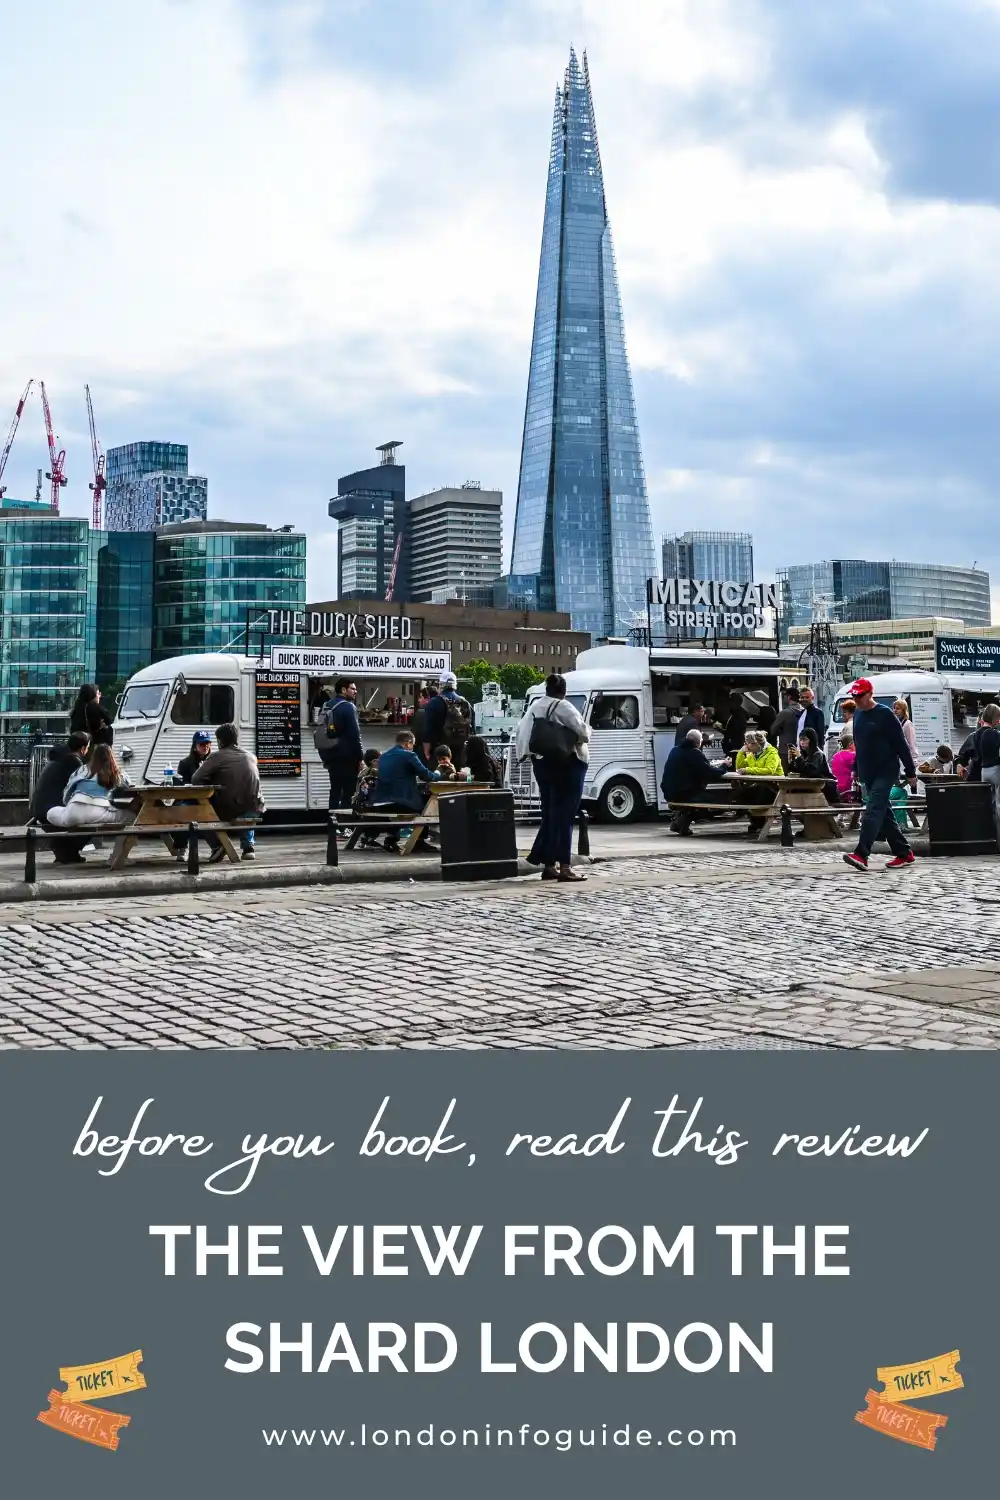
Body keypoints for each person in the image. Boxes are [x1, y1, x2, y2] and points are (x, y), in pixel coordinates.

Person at [515, 673, 591, 882]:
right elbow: (583, 733)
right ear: (563, 691)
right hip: (567, 765)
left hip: (542, 764)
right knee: (565, 814)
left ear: (546, 689)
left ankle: (548, 864)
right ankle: (565, 866)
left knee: (550, 813)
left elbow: (521, 733)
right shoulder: (564, 707)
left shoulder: (534, 707)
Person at [842, 678, 917, 872]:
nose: (856, 699)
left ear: (869, 694)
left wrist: (910, 771)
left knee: (873, 810)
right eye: (854, 696)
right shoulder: (858, 714)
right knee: (884, 814)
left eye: (859, 696)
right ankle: (904, 852)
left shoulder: (885, 714)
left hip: (886, 770)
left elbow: (901, 744)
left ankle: (861, 853)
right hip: (868, 771)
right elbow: (859, 745)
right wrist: (856, 769)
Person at [192, 723, 263, 863]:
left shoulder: (217, 756)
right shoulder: (251, 756)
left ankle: (218, 845)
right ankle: (248, 847)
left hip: (231, 807)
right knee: (247, 800)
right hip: (256, 807)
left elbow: (195, 779)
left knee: (199, 811)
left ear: (219, 741)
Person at [371, 730, 440, 852]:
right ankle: (419, 841)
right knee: (428, 804)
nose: (412, 748)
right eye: (412, 745)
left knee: (411, 800)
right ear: (407, 743)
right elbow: (426, 776)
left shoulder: (383, 757)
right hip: (398, 803)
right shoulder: (409, 755)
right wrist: (439, 774)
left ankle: (391, 838)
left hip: (380, 803)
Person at [29, 732, 91, 863]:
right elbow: (85, 786)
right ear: (83, 748)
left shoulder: (58, 759)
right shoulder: (73, 762)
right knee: (90, 818)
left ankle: (64, 852)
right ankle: (68, 852)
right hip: (51, 809)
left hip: (39, 809)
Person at [660, 728, 730, 836]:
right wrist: (725, 765)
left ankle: (681, 822)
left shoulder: (675, 750)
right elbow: (710, 774)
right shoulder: (694, 753)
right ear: (698, 742)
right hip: (685, 794)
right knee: (721, 800)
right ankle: (681, 821)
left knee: (700, 796)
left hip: (669, 793)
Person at [47, 743, 130, 832]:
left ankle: (91, 842)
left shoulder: (82, 769)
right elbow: (126, 782)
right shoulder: (114, 772)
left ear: (93, 756)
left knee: (50, 813)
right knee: (131, 817)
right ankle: (118, 846)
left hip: (73, 811)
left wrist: (69, 804)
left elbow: (67, 791)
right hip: (97, 813)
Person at [314, 678, 364, 821]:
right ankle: (345, 824)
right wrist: (360, 757)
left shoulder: (326, 705)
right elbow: (355, 735)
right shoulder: (348, 707)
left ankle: (332, 822)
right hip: (347, 756)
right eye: (352, 689)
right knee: (349, 791)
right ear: (343, 690)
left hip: (330, 755)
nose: (355, 692)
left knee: (335, 789)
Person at [734, 728, 783, 836]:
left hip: (774, 789)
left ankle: (756, 821)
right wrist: (741, 752)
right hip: (759, 786)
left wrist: (749, 770)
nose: (746, 746)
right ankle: (756, 821)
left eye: (748, 744)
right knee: (745, 792)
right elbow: (740, 766)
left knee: (752, 793)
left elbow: (770, 770)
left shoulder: (772, 753)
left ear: (755, 744)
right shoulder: (752, 753)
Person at [421, 672, 473, 768]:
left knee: (439, 778)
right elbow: (471, 728)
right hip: (460, 751)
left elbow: (428, 729)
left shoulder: (434, 702)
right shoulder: (465, 703)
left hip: (440, 751)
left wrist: (426, 751)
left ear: (441, 684)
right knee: (458, 777)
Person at [788, 728, 839, 804]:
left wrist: (799, 758)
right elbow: (799, 771)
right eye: (800, 740)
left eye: (804, 739)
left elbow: (811, 771)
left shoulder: (818, 754)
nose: (802, 742)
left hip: (824, 788)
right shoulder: (806, 755)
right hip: (812, 786)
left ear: (811, 740)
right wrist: (791, 761)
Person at [353, 748, 383, 848]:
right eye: (380, 759)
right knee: (384, 812)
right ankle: (370, 839)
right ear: (374, 761)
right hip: (367, 805)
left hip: (358, 804)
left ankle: (367, 838)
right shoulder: (374, 772)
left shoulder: (362, 772)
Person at [978, 703, 1000, 837]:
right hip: (996, 770)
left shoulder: (976, 734)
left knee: (986, 806)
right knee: (999, 807)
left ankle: (987, 837)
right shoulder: (995, 734)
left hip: (984, 771)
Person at [69, 683, 114, 747]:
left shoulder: (76, 708)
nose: (100, 696)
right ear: (93, 695)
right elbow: (109, 719)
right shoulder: (94, 707)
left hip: (77, 744)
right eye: (98, 693)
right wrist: (102, 726)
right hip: (93, 744)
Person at [771, 688, 802, 767]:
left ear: (788, 697)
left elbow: (773, 730)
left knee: (787, 774)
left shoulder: (784, 713)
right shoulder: (804, 711)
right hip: (802, 750)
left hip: (786, 750)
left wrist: (781, 731)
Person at [830, 730, 858, 802]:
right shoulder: (853, 755)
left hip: (836, 788)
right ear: (850, 744)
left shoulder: (835, 756)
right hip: (848, 789)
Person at [721, 693, 749, 759]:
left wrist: (721, 730)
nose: (728, 704)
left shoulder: (739, 716)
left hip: (735, 749)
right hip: (734, 749)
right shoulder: (736, 715)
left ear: (735, 702)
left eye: (730, 701)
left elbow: (736, 734)